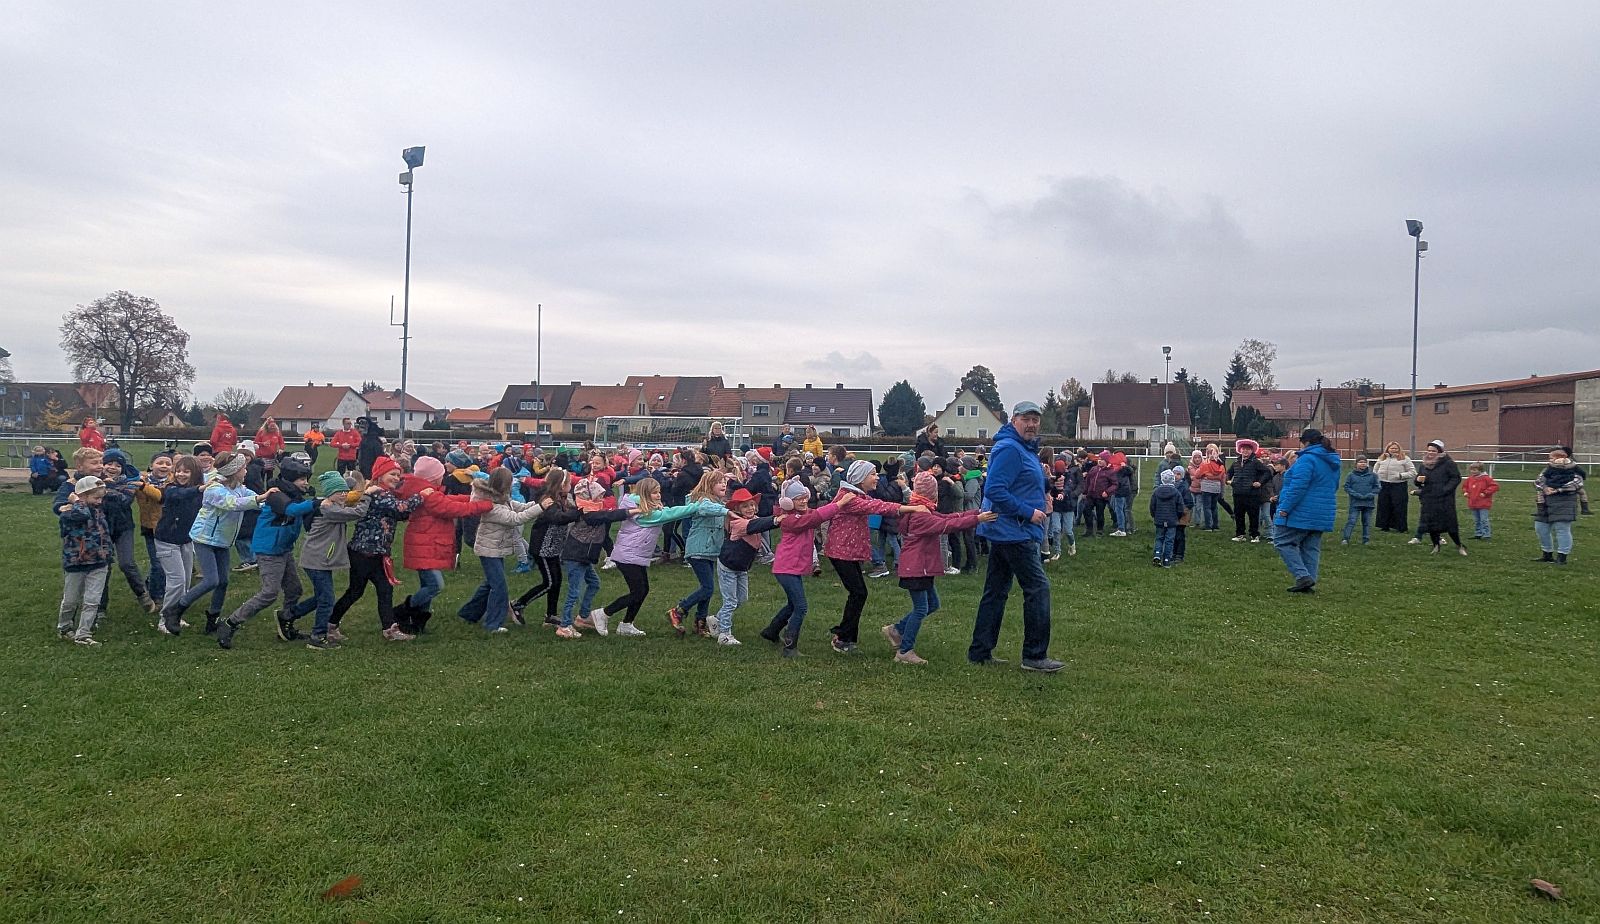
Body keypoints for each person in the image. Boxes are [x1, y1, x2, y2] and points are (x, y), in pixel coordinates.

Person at [968, 402, 1063, 673]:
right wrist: (1028, 512)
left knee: (996, 591)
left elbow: (1019, 483)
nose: (1032, 424)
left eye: (1036, 420)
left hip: (1008, 530)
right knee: (1038, 588)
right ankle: (1034, 655)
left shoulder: (1024, 448)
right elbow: (995, 490)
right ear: (1013, 420)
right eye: (1026, 419)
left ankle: (980, 651)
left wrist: (1047, 484)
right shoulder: (1010, 448)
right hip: (1014, 530)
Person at [883, 470, 995, 664]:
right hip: (916, 568)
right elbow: (947, 525)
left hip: (920, 567)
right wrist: (977, 520)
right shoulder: (920, 515)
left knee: (933, 604)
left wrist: (975, 512)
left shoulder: (921, 509)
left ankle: (896, 630)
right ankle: (904, 651)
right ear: (931, 493)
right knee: (920, 609)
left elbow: (946, 518)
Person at [160, 451, 273, 635]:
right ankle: (175, 610)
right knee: (211, 580)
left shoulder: (240, 487)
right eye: (243, 468)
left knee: (223, 581)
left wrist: (273, 500)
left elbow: (254, 500)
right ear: (233, 471)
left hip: (222, 541)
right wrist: (259, 498)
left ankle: (212, 619)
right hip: (205, 539)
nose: (246, 471)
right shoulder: (214, 489)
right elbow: (232, 503)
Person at [821, 460, 926, 653]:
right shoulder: (850, 497)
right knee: (859, 593)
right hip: (840, 552)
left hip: (845, 552)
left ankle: (845, 637)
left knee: (858, 593)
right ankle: (843, 638)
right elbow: (879, 507)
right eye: (873, 474)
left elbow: (880, 504)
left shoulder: (856, 494)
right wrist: (912, 508)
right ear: (861, 478)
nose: (877, 477)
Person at [215, 454, 317, 649]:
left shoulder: (295, 495)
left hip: (283, 549)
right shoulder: (277, 496)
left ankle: (286, 621)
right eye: (302, 479)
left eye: (307, 479)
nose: (306, 483)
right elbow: (291, 511)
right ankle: (230, 623)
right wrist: (316, 503)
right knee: (269, 592)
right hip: (269, 550)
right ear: (290, 480)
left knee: (294, 589)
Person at [328, 456, 426, 640]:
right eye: (392, 474)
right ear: (380, 475)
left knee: (382, 589)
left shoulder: (384, 493)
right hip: (365, 552)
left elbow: (394, 514)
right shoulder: (379, 493)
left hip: (374, 552)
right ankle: (330, 624)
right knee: (357, 591)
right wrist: (421, 496)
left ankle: (388, 629)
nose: (396, 478)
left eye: (398, 474)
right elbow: (400, 508)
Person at [394, 455, 493, 634]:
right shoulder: (430, 496)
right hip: (426, 546)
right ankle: (404, 610)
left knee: (427, 586)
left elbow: (449, 500)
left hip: (424, 545)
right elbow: (453, 508)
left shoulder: (424, 491)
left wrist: (472, 498)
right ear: (433, 477)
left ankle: (417, 622)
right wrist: (485, 505)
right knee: (435, 586)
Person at [759, 481, 851, 657]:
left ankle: (771, 631)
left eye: (804, 497)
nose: (803, 501)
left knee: (792, 604)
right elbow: (816, 517)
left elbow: (817, 512)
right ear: (788, 502)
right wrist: (840, 503)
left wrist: (838, 498)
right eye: (798, 499)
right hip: (786, 568)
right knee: (801, 607)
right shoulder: (789, 519)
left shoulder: (802, 513)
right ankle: (790, 647)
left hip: (790, 569)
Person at [458, 468, 549, 634]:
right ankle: (493, 624)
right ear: (504, 485)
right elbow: (515, 518)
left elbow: (519, 507)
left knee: (490, 583)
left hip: (495, 548)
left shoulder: (501, 498)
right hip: (488, 550)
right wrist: (541, 507)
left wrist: (538, 504)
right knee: (499, 587)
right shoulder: (490, 505)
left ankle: (469, 613)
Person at [286, 471, 370, 649]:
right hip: (317, 560)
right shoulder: (328, 509)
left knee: (322, 597)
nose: (344, 495)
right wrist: (367, 495)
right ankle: (318, 636)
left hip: (319, 559)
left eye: (345, 491)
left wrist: (353, 485)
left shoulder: (332, 504)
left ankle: (289, 615)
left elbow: (347, 500)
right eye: (340, 492)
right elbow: (358, 512)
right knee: (327, 599)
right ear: (330, 493)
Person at [1272, 428, 1342, 592]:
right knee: (1310, 547)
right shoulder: (1332, 460)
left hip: (1302, 510)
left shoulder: (1307, 459)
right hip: (1323, 510)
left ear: (1307, 442)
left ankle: (1302, 576)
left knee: (1282, 541)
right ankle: (1308, 581)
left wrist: (1285, 508)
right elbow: (1334, 485)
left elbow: (1298, 487)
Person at [713, 488, 784, 646]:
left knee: (741, 599)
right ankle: (724, 634)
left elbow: (760, 523)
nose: (750, 508)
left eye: (752, 505)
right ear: (737, 509)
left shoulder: (754, 520)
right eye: (745, 506)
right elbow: (755, 525)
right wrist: (776, 520)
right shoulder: (738, 523)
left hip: (741, 567)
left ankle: (716, 620)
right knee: (730, 601)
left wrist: (781, 517)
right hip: (728, 566)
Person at [55, 474, 113, 645]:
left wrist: (107, 553)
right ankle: (65, 627)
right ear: (82, 496)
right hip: (76, 563)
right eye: (96, 498)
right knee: (70, 600)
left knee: (92, 600)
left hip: (99, 562)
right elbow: (81, 515)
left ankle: (84, 633)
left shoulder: (98, 510)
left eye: (101, 498)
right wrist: (76, 502)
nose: (99, 502)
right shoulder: (69, 512)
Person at [1411, 439, 1466, 555]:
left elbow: (1455, 478)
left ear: (1439, 451)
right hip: (1429, 498)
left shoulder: (1448, 463)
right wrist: (1418, 481)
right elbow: (1418, 480)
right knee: (1432, 524)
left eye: (1433, 451)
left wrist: (1445, 490)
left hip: (1444, 499)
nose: (1430, 453)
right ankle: (1436, 545)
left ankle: (1459, 545)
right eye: (1429, 450)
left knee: (1450, 524)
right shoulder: (1424, 464)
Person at [1532, 448, 1582, 565]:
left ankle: (1562, 556)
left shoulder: (1574, 469)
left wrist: (1557, 489)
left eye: (1551, 458)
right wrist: (1545, 488)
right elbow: (1538, 481)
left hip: (1564, 503)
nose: (1549, 460)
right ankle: (1547, 554)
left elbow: (1577, 483)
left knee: (1562, 529)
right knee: (1541, 527)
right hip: (1545, 503)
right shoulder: (1548, 469)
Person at [1227, 439, 1273, 543]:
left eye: (1248, 449)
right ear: (1240, 450)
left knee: (1253, 515)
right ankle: (1240, 534)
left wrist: (1260, 482)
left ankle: (1254, 535)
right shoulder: (1236, 462)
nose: (1245, 451)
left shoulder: (1256, 462)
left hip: (1252, 494)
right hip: (1238, 493)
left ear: (1252, 451)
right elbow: (1229, 473)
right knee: (1239, 515)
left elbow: (1267, 473)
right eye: (1243, 449)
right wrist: (1228, 481)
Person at [1373, 442, 1415, 532]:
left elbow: (1412, 472)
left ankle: (1401, 527)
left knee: (1399, 506)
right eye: (1392, 448)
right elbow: (1375, 470)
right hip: (1384, 484)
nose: (1394, 450)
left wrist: (1400, 475)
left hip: (1398, 485)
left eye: (1396, 448)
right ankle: (1384, 526)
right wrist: (1377, 477)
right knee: (1384, 505)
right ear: (1388, 449)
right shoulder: (1382, 458)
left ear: (1399, 449)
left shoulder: (1405, 459)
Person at [1340, 455, 1379, 545]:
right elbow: (1347, 487)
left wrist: (1370, 495)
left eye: (1364, 462)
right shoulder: (1351, 475)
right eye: (1360, 462)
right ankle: (1346, 538)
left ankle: (1366, 540)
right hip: (1355, 503)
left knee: (1367, 523)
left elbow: (1377, 487)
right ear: (1356, 464)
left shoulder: (1373, 475)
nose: (1363, 464)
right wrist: (1356, 495)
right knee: (1352, 521)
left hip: (1368, 503)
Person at [1148, 469, 1183, 567]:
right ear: (1173, 480)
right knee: (1169, 540)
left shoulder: (1156, 492)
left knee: (1159, 538)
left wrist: (1154, 515)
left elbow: (1152, 506)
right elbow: (1180, 507)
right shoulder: (1176, 492)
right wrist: (1178, 517)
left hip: (1159, 519)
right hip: (1172, 520)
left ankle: (1157, 555)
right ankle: (1167, 559)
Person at [1463, 462, 1499, 540]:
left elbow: (1494, 486)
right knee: (1477, 520)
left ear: (1480, 470)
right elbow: (1465, 486)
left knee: (1484, 520)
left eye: (1475, 470)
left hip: (1483, 503)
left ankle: (1486, 534)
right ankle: (1478, 533)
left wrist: (1485, 493)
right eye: (1472, 470)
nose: (1473, 471)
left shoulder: (1486, 478)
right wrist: (1466, 492)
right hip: (1473, 502)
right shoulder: (1470, 479)